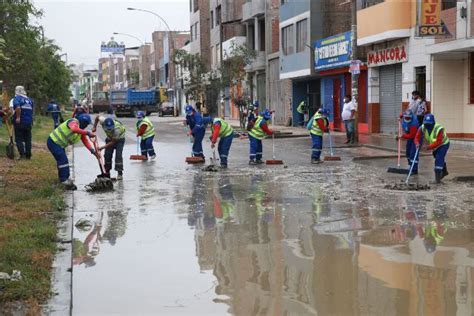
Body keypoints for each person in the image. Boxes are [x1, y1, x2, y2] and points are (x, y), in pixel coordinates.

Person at [47, 114, 95, 190]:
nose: (86, 126)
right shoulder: (73, 122)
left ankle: (64, 179)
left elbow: (85, 140)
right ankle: (64, 180)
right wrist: (88, 133)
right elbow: (73, 129)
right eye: (86, 124)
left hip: (59, 144)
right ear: (83, 122)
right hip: (53, 142)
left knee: (62, 161)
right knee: (63, 160)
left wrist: (92, 150)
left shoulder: (80, 129)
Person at [414, 114, 450, 183]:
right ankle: (444, 171)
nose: (427, 126)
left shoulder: (439, 128)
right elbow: (417, 137)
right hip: (434, 146)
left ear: (433, 123)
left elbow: (439, 141)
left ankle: (437, 180)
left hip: (443, 144)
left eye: (429, 124)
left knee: (439, 159)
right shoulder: (422, 127)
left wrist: (428, 147)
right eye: (426, 124)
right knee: (437, 157)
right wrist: (417, 143)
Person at [12, 86, 34, 160]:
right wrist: (32, 121)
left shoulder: (17, 98)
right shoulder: (29, 100)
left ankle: (22, 155)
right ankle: (28, 155)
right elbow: (31, 111)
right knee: (28, 139)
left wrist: (18, 117)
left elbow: (17, 107)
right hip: (28, 122)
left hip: (20, 122)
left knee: (18, 139)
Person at [397, 109, 420, 174]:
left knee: (413, 153)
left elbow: (412, 135)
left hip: (416, 137)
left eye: (408, 117)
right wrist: (400, 117)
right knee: (408, 152)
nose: (407, 118)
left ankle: (414, 169)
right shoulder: (404, 116)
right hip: (409, 135)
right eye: (406, 117)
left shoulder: (414, 123)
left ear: (411, 117)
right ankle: (410, 165)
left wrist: (402, 136)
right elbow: (401, 114)